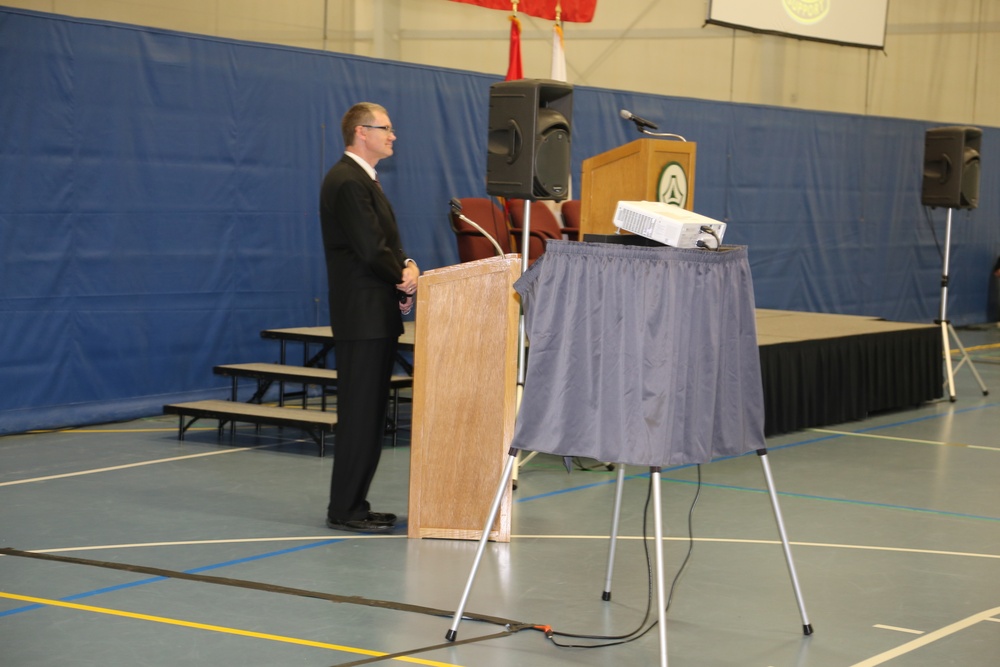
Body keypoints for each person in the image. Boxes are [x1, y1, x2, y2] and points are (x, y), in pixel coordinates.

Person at [319, 102, 418, 533]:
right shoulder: (347, 181)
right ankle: (344, 508)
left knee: (371, 414)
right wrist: (403, 275)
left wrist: (408, 265)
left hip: (374, 314)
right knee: (360, 414)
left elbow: (384, 242)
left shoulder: (363, 180)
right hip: (362, 318)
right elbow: (369, 248)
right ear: (362, 132)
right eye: (386, 128)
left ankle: (356, 502)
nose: (392, 135)